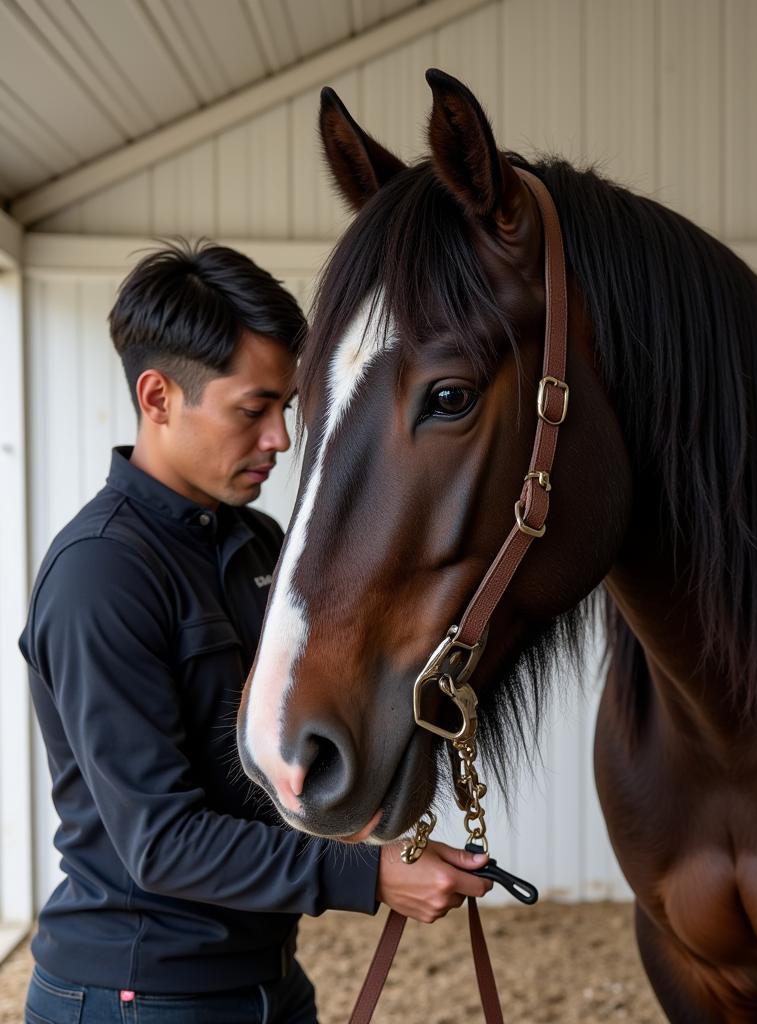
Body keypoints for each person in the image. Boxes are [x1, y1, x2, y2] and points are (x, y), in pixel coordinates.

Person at [18, 240, 490, 1023]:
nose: (279, 438)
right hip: (139, 996)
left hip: (264, 982)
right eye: (253, 409)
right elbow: (160, 841)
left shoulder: (260, 547)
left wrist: (375, 824)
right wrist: (368, 880)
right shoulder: (100, 574)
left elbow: (263, 764)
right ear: (158, 396)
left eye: (288, 408)